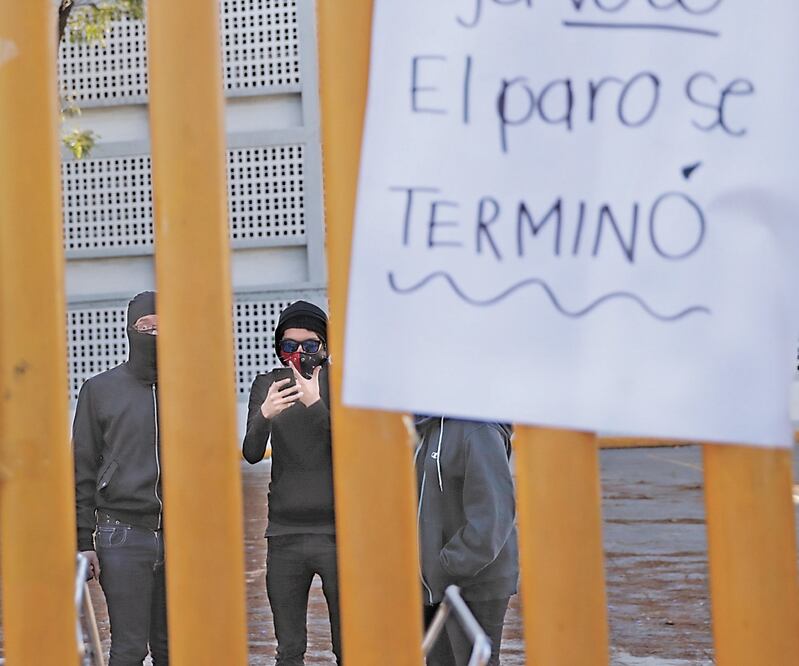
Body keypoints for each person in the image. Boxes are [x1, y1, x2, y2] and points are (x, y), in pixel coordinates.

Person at [242, 300, 341, 666]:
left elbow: (350, 449)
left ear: (325, 347)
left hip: (337, 534)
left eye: (310, 346)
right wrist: (265, 415)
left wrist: (316, 404)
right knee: (288, 650)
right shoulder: (268, 384)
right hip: (284, 534)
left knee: (348, 647)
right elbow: (252, 452)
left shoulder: (339, 384)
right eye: (289, 346)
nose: (299, 353)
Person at [73, 291, 168, 665]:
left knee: (174, 649)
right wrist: (83, 540)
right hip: (122, 532)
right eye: (145, 327)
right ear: (129, 331)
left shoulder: (191, 391)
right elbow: (81, 469)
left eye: (162, 328)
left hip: (183, 536)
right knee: (129, 648)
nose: (153, 336)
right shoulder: (100, 390)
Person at [415, 416, 518, 666]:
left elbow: (492, 518)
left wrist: (446, 565)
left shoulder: (479, 429)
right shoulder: (425, 424)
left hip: (474, 583)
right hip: (433, 584)